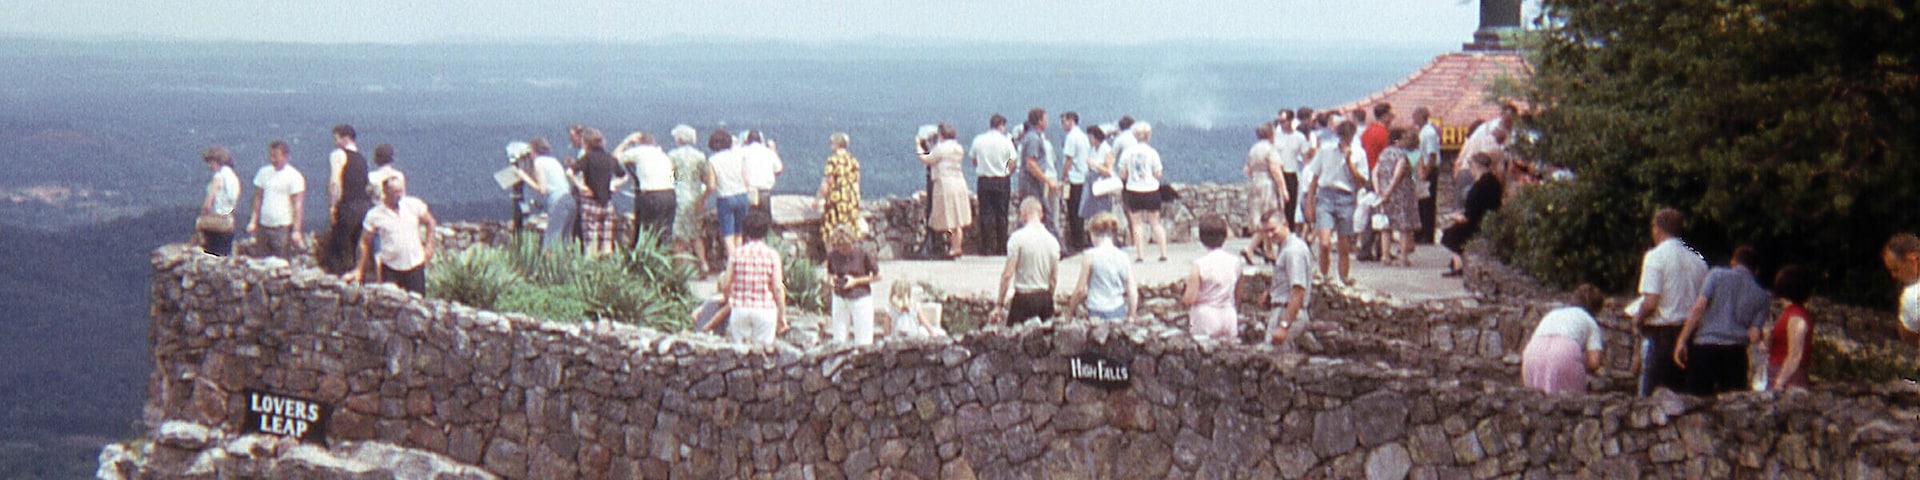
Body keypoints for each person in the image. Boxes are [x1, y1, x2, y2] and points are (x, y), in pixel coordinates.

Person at [1630, 208, 1710, 397]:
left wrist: (1637, 319)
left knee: (1651, 398)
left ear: (1656, 229)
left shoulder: (1655, 257)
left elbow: (1651, 301)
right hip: (1690, 334)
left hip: (1662, 335)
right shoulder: (1698, 260)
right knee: (1684, 397)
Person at [1674, 246, 1771, 395]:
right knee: (1732, 406)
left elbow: (1699, 307)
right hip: (1736, 352)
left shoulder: (1716, 275)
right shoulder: (1762, 296)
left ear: (1733, 262)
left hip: (1705, 347)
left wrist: (1682, 340)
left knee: (1696, 400)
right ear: (1756, 270)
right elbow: (1754, 334)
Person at [343, 176, 438, 294]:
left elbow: (430, 222)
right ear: (385, 192)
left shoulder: (413, 205)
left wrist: (429, 246)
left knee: (417, 303)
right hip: (390, 268)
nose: (399, 195)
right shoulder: (375, 215)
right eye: (395, 192)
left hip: (415, 265)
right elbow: (364, 241)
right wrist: (359, 269)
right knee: (389, 304)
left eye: (400, 191)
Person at [1301, 120, 1363, 284]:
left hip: (1346, 196)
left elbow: (1361, 181)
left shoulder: (1359, 153)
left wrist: (1349, 162)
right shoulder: (1325, 151)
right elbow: (1314, 178)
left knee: (1344, 244)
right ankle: (1324, 275)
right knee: (1325, 242)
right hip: (1326, 195)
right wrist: (1310, 203)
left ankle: (1344, 277)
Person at [1521, 285, 1608, 395]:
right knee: (1569, 403)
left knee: (1535, 401)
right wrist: (1582, 361)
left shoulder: (1553, 314)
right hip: (1565, 351)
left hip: (1533, 351)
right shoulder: (1589, 321)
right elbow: (1594, 362)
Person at [718, 210, 786, 345]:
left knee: (741, 355)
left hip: (740, 309)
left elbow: (725, 284)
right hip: (764, 310)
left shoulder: (736, 254)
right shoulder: (772, 255)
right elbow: (778, 287)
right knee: (763, 354)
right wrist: (782, 315)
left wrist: (727, 298)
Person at [997, 198, 1061, 325]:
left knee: (1015, 339)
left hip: (1023, 298)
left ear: (1023, 214)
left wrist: (999, 304)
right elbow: (1053, 279)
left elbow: (1007, 274)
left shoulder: (1017, 238)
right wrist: (1049, 297)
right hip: (1044, 297)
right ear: (1041, 215)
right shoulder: (1053, 241)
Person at [1440, 153, 1503, 277]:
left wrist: (1454, 217)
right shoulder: (1494, 182)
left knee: (1449, 235)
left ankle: (1459, 266)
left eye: (1470, 166)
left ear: (1476, 166)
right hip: (1489, 220)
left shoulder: (1478, 188)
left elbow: (1469, 216)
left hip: (1475, 224)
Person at [322, 124, 373, 274]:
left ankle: (340, 282)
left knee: (340, 248)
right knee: (358, 246)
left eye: (336, 138)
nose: (335, 142)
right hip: (364, 207)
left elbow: (335, 181)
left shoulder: (338, 154)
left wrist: (332, 206)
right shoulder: (362, 159)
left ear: (345, 138)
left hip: (347, 206)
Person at [1067, 213, 1136, 322]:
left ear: (1093, 234)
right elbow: (1132, 290)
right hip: (1118, 307)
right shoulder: (1123, 256)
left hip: (1096, 308)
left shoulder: (1089, 256)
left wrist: (1069, 313)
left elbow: (1080, 290)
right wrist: (1131, 315)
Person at [1184, 217, 1244, 340]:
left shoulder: (1199, 265)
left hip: (1205, 315)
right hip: (1228, 314)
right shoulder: (1236, 262)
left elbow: (1189, 299)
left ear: (1201, 238)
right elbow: (1239, 293)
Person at [572, 128, 627, 256]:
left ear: (586, 143)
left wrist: (581, 186)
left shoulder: (587, 158)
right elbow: (623, 175)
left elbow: (570, 172)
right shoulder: (609, 158)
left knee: (590, 241)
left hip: (590, 203)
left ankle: (590, 271)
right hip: (607, 203)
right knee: (607, 242)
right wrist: (614, 185)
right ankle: (607, 271)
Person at [512, 139, 576, 251]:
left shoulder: (539, 162)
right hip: (569, 200)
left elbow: (542, 189)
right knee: (564, 241)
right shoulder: (554, 161)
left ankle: (549, 265)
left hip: (557, 202)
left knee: (551, 241)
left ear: (533, 150)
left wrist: (523, 176)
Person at [667, 125, 714, 274]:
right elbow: (705, 178)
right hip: (695, 196)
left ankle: (679, 270)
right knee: (696, 233)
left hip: (680, 196)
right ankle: (703, 263)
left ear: (679, 139)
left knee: (678, 235)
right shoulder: (700, 156)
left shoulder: (673, 155)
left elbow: (671, 176)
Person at [1119, 122, 1168, 262]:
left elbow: (1122, 174)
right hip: (1152, 190)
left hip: (1134, 190)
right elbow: (1158, 173)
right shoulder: (1153, 153)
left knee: (1137, 224)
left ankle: (1140, 255)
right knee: (1155, 223)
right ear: (1148, 136)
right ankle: (1163, 253)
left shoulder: (1127, 153)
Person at [1264, 211, 1314, 348]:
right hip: (1283, 309)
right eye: (1266, 231)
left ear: (1285, 224)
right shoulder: (1285, 247)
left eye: (1273, 230)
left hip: (1287, 312)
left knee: (1274, 358)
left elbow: (1298, 290)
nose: (1269, 235)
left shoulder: (1293, 251)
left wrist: (1284, 325)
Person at [248, 141, 305, 259]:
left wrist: (296, 230)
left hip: (282, 227)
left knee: (281, 260)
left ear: (285, 156)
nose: (273, 159)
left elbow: (297, 205)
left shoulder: (294, 176)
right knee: (261, 260)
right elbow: (258, 198)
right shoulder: (263, 173)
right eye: (271, 156)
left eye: (276, 156)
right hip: (264, 225)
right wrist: (253, 221)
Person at [616, 132, 676, 245]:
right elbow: (676, 177)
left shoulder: (639, 151)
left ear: (639, 143)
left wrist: (627, 141)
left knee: (646, 230)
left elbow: (615, 158)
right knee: (665, 231)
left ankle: (645, 257)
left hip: (651, 195)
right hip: (670, 194)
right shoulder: (663, 155)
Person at [970, 114, 1018, 255]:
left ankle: (986, 247)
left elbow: (973, 160)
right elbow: (1013, 161)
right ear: (1001, 126)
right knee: (1001, 214)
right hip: (1002, 180)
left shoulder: (979, 140)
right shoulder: (1006, 142)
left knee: (985, 214)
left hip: (984, 180)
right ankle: (1001, 247)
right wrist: (1007, 171)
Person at [824, 225, 879, 346]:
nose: (843, 251)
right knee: (839, 340)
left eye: (845, 247)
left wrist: (855, 281)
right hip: (840, 298)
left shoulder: (863, 253)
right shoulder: (834, 255)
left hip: (860, 298)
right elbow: (830, 272)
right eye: (839, 248)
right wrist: (832, 280)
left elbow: (878, 276)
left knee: (863, 341)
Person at [1373, 129, 1420, 267]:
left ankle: (1385, 256)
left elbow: (1375, 171)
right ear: (1397, 141)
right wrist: (1390, 190)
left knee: (1386, 226)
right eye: (1403, 138)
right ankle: (1403, 257)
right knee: (1403, 226)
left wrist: (1379, 190)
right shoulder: (1401, 155)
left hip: (1383, 193)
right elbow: (1397, 174)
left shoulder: (1383, 154)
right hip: (1401, 194)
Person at [1767, 265, 1815, 390]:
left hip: (1788, 377)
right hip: (1779, 372)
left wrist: (1780, 382)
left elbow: (1795, 355)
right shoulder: (1788, 313)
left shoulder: (1796, 316)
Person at [1016, 108, 1059, 240]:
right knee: (1041, 213)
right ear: (1040, 121)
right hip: (1032, 183)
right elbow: (1031, 164)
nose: (1047, 121)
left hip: (1031, 182)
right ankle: (1057, 246)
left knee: (1036, 213)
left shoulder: (1031, 138)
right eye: (1045, 119)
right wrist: (1048, 180)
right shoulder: (1034, 139)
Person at [1242, 122, 1282, 263]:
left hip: (1255, 183)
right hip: (1267, 185)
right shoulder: (1270, 149)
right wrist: (1283, 188)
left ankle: (1269, 251)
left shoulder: (1253, 150)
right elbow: (1275, 170)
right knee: (1270, 218)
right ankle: (1250, 248)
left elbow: (1247, 170)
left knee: (1262, 217)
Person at [708, 129, 749, 260]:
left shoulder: (713, 160)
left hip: (725, 198)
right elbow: (745, 179)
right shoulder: (738, 157)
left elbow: (711, 185)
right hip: (742, 195)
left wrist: (702, 198)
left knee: (728, 235)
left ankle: (733, 264)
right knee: (739, 233)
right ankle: (741, 261)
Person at [195, 146, 241, 257]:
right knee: (224, 253)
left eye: (210, 162)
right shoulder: (233, 178)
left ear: (217, 161)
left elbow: (209, 199)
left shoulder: (219, 176)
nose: (209, 166)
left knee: (211, 253)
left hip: (215, 220)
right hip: (227, 221)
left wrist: (203, 214)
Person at [816, 132, 862, 243]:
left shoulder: (833, 160)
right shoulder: (853, 161)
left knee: (830, 232)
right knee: (849, 232)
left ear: (837, 145)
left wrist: (817, 200)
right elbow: (857, 181)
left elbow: (827, 182)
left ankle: (832, 258)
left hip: (836, 201)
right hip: (850, 201)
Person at [1060, 112, 1092, 253]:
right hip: (1083, 177)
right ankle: (1081, 240)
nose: (1062, 125)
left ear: (1071, 121)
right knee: (1080, 212)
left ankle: (1077, 242)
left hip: (1074, 179)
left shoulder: (1071, 138)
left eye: (1064, 121)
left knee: (1073, 212)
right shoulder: (1083, 137)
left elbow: (1069, 159)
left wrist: (1062, 177)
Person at [1077, 126, 1119, 232]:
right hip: (1091, 180)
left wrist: (1095, 165)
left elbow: (1109, 171)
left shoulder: (1106, 150)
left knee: (1102, 211)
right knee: (1091, 212)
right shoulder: (1092, 149)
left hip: (1100, 183)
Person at [1274, 110, 1309, 232]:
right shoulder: (1275, 136)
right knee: (1275, 207)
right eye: (1280, 121)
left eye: (1283, 121)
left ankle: (1289, 232)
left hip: (1292, 174)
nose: (1281, 124)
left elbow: (1305, 159)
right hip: (1278, 173)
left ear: (1290, 121)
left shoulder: (1299, 138)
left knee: (1291, 207)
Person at [1884, 233, 1920, 347]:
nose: (1894, 276)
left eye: (1896, 269)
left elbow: (1909, 340)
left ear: (1912, 260)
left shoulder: (1911, 296)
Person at [1412, 107, 1442, 244]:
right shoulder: (1422, 132)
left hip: (1428, 170)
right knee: (1421, 203)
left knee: (1427, 204)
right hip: (1422, 169)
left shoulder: (1428, 133)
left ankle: (1427, 234)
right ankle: (1420, 232)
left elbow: (1432, 155)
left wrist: (1425, 173)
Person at [739, 130, 783, 218]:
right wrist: (774, 150)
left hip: (749, 192)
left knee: (748, 223)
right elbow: (779, 169)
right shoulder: (769, 152)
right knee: (765, 222)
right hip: (764, 193)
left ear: (747, 141)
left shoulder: (742, 152)